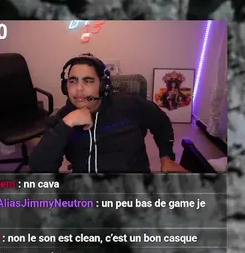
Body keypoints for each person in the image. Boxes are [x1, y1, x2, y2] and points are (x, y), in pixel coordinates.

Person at [29, 55, 184, 173]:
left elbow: (161, 123)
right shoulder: (64, 118)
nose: (79, 88)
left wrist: (167, 158)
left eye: (88, 81)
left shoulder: (130, 104)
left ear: (104, 85)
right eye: (73, 81)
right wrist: (67, 123)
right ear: (65, 86)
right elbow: (39, 168)